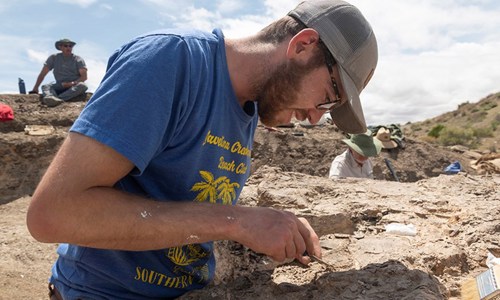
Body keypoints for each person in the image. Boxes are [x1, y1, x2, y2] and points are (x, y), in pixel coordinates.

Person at [26, 0, 378, 298]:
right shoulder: (170, 61)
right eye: (330, 99)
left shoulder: (251, 108)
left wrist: (264, 225)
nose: (316, 119)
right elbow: (53, 214)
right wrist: (236, 221)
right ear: (303, 46)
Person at [29, 38, 88, 107]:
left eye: (70, 46)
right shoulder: (54, 58)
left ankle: (58, 99)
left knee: (83, 86)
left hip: (74, 86)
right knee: (46, 86)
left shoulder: (78, 59)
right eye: (66, 46)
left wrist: (71, 83)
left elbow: (84, 77)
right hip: (60, 85)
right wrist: (35, 88)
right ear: (60, 47)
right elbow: (43, 74)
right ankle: (51, 98)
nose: (68, 48)